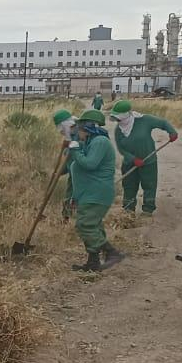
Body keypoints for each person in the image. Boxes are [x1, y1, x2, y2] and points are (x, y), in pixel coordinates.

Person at [66, 109, 124, 272]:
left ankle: (111, 252)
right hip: (88, 193)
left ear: (88, 128)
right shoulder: (90, 142)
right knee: (94, 226)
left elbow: (89, 164)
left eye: (80, 128)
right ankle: (93, 262)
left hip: (97, 193)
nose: (78, 132)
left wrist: (75, 150)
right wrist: (75, 196)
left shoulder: (100, 142)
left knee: (85, 225)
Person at [109, 100, 178, 215]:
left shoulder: (144, 120)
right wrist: (133, 159)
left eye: (118, 118)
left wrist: (172, 132)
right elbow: (121, 149)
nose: (117, 121)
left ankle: (148, 210)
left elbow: (163, 123)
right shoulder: (118, 130)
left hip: (148, 161)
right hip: (129, 164)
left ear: (126, 115)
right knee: (129, 186)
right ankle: (128, 209)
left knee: (149, 185)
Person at [53, 109, 77, 219]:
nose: (62, 132)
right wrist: (59, 172)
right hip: (73, 173)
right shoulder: (70, 135)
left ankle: (70, 218)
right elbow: (68, 161)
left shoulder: (79, 134)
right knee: (70, 194)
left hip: (81, 174)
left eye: (62, 129)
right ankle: (66, 218)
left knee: (75, 196)